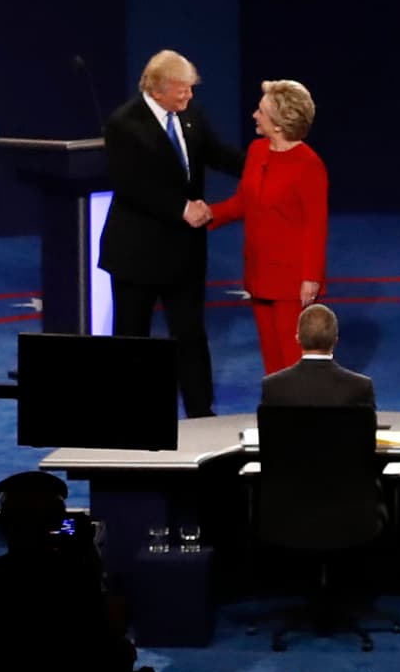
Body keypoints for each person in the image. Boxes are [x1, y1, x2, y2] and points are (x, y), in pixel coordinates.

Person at [101, 48, 243, 419]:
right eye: (183, 89)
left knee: (191, 335)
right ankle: (132, 415)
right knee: (133, 337)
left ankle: (200, 411)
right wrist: (183, 208)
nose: (190, 96)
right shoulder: (124, 124)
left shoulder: (190, 116)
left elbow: (217, 154)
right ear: (159, 89)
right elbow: (131, 184)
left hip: (184, 252)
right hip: (137, 252)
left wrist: (265, 165)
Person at [203, 77, 329, 378]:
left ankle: (301, 418)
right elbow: (243, 203)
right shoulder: (258, 151)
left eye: (261, 111)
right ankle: (277, 417)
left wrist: (310, 277)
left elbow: (316, 225)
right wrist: (208, 215)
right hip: (260, 273)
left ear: (279, 123)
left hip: (291, 281)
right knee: (271, 364)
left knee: (292, 361)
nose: (254, 116)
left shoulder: (309, 165)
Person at [256, 303, 372, 408]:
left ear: (298, 339)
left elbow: (268, 430)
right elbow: (366, 430)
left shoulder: (273, 386)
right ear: (335, 340)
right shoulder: (360, 387)